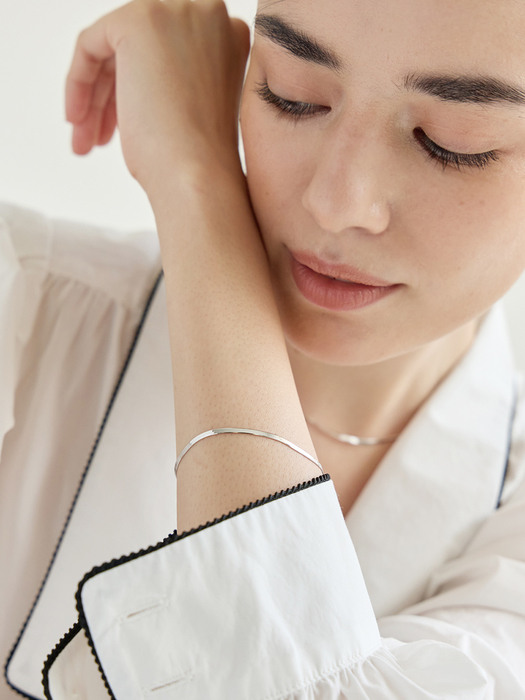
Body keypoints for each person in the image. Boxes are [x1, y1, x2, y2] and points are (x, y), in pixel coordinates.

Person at [2, 0, 525, 696]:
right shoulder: (22, 301)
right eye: (293, 95)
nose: (336, 203)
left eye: (448, 142)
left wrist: (195, 187)